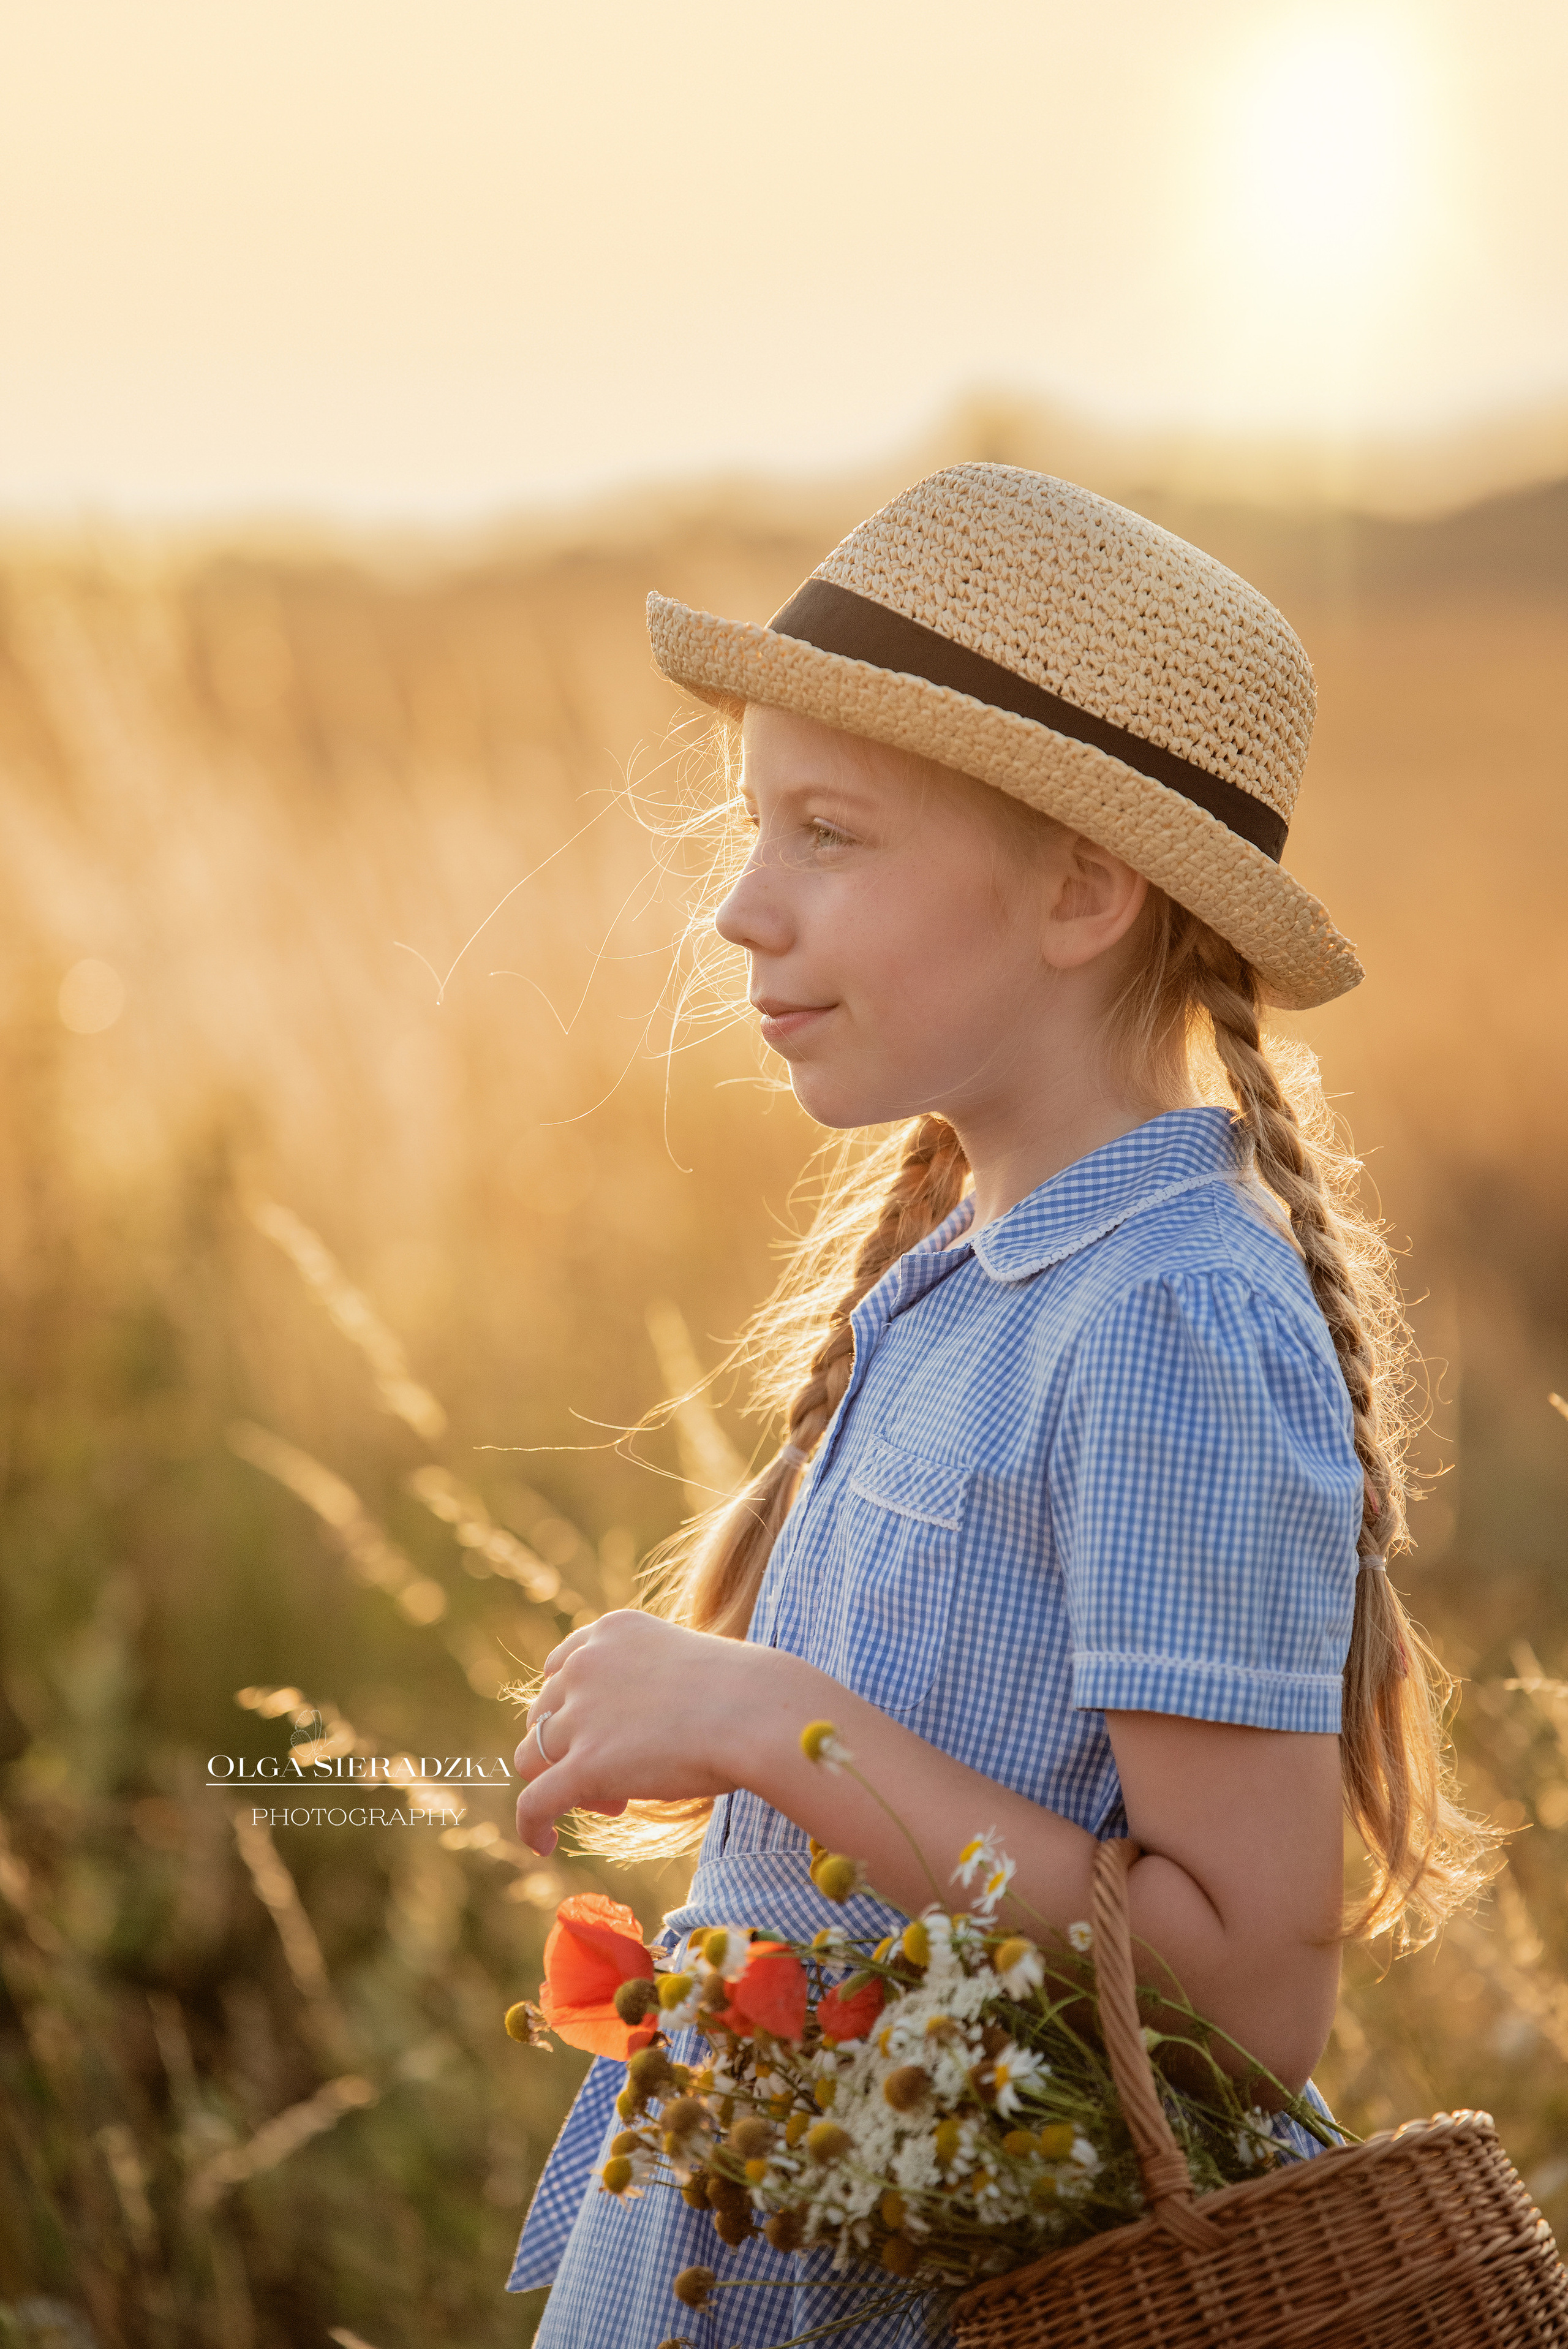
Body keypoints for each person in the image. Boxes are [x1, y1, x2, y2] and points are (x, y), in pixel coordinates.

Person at [505, 466, 1487, 2345]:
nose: (739, 906)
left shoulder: (1173, 1319)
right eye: (750, 827)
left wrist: (770, 1717)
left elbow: (1240, 2001)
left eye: (828, 834)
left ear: (1081, 887)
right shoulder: (980, 1259)